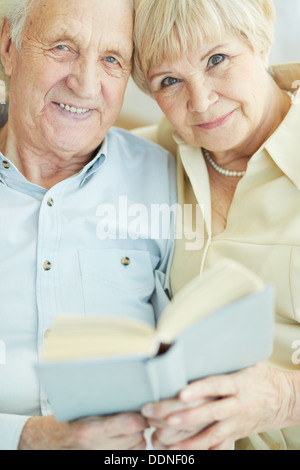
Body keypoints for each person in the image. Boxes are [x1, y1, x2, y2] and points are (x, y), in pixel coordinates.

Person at [0, 0, 177, 450]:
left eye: (112, 60)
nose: (85, 84)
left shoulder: (169, 178)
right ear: (8, 46)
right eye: (63, 47)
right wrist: (26, 438)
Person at [133, 0, 300, 450]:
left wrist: (285, 398)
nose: (202, 101)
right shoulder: (148, 160)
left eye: (217, 60)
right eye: (169, 81)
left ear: (260, 36)